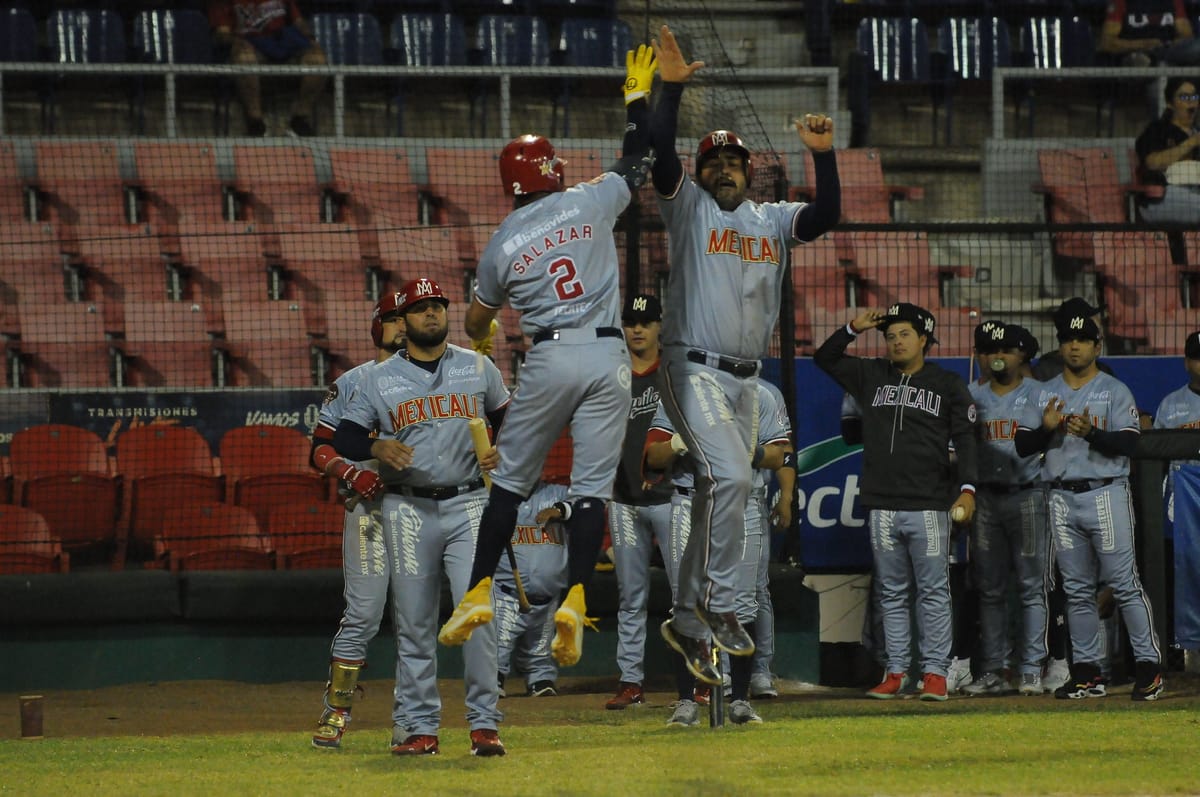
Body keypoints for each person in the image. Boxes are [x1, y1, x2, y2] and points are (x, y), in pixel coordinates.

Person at [437, 45, 659, 668]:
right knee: (592, 491)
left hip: (551, 356)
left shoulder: (501, 243)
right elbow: (638, 158)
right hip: (610, 355)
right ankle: (577, 596)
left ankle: (478, 591)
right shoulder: (589, 199)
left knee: (507, 484)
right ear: (553, 171)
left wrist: (481, 339)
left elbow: (477, 318)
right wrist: (635, 97)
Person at [647, 24, 841, 683]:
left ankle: (689, 615)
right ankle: (721, 606)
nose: (724, 168)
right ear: (700, 174)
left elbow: (825, 217)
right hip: (693, 365)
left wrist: (824, 157)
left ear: (749, 172)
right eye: (714, 162)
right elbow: (660, 155)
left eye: (734, 162)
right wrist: (669, 91)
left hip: (747, 383)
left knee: (723, 488)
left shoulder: (770, 218)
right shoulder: (690, 209)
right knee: (731, 477)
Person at [332, 277, 512, 756]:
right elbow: (343, 439)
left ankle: (484, 724)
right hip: (406, 505)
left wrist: (503, 453)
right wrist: (375, 445)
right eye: (420, 308)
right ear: (402, 320)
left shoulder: (479, 366)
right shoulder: (376, 378)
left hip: (470, 501)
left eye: (438, 306)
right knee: (412, 620)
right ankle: (418, 727)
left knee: (476, 615)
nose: (432, 314)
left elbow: (512, 421)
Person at [815, 303, 979, 702]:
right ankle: (896, 671)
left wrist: (969, 488)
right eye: (889, 336)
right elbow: (825, 357)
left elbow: (968, 437)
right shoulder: (871, 374)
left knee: (934, 590)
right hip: (882, 504)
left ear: (924, 339)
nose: (896, 342)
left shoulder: (947, 383)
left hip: (929, 504)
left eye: (904, 334)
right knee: (891, 591)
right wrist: (853, 327)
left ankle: (936, 673)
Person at [1014, 299, 1164, 701]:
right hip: (1061, 496)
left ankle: (1149, 667)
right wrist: (1047, 430)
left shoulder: (1114, 390)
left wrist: (1094, 434)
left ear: (1097, 346)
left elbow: (1131, 442)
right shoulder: (1046, 393)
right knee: (1076, 589)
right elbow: (1022, 444)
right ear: (1060, 346)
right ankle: (1087, 672)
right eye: (1068, 339)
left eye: (1083, 339)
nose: (1075, 346)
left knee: (1124, 584)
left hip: (1105, 492)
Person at [642, 379, 792, 725]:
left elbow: (780, 453)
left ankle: (739, 699)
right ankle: (686, 701)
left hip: (742, 504)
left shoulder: (759, 395)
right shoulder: (678, 393)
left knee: (741, 603)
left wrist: (744, 449)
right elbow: (653, 454)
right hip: (687, 500)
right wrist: (683, 441)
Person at [308, 291, 402, 750]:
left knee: (414, 618)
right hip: (369, 512)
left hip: (420, 511)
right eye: (392, 319)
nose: (402, 326)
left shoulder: (441, 379)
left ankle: (411, 719)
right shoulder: (354, 382)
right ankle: (336, 710)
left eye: (408, 318)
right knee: (364, 611)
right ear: (376, 326)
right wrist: (350, 473)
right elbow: (319, 448)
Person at [961, 321, 1052, 698]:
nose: (997, 357)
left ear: (1022, 355)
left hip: (1028, 495)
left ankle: (1031, 668)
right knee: (990, 589)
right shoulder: (969, 395)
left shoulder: (1040, 394)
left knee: (1032, 586)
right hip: (985, 498)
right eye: (989, 350)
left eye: (1005, 350)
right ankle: (995, 669)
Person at [604, 293, 674, 710]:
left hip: (672, 499)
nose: (637, 329)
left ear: (658, 327)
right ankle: (630, 681)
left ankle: (699, 678)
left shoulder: (674, 373)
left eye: (645, 322)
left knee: (687, 593)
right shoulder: (612, 376)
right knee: (631, 597)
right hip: (623, 499)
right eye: (631, 322)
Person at [494, 436, 572, 700]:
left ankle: (540, 679)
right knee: (499, 642)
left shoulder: (557, 494)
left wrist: (560, 510)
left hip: (548, 594)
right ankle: (493, 677)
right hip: (506, 592)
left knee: (541, 646)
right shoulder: (496, 498)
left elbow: (589, 505)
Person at [207, 0, 327, 136]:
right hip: (251, 46)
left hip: (283, 44)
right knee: (244, 57)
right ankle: (256, 122)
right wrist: (237, 42)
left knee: (318, 59)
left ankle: (299, 119)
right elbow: (222, 33)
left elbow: (298, 22)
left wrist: (311, 39)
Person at [750, 377, 796, 699]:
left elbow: (784, 452)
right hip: (704, 500)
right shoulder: (695, 383)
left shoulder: (766, 392)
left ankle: (760, 672)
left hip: (752, 498)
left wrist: (786, 496)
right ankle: (723, 672)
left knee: (756, 587)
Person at [1135, 76, 1200, 224]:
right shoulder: (1157, 130)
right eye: (1184, 96)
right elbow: (1152, 163)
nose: (1191, 101)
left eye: (1194, 96)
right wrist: (1192, 142)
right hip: (1161, 197)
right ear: (1170, 103)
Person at [1098, 0, 1200, 67]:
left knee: (1196, 47)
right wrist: (1144, 44)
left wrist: (1168, 45)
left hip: (1166, 51)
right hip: (1133, 53)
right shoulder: (1121, 2)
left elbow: (1186, 36)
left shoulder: (1173, 1)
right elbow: (1106, 43)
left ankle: (1157, 60)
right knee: (1141, 62)